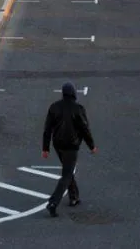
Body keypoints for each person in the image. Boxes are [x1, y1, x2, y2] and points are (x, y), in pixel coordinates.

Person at [42, 82, 96, 217]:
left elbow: (47, 129)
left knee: (67, 169)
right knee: (66, 174)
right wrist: (92, 146)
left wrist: (45, 148)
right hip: (71, 146)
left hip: (58, 145)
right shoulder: (78, 109)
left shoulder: (54, 107)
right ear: (74, 93)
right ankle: (53, 202)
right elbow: (85, 129)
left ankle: (74, 197)